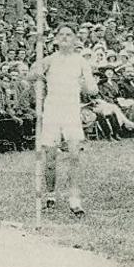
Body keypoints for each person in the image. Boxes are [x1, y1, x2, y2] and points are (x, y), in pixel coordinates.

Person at [34, 23, 97, 214]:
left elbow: (93, 89)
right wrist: (37, 73)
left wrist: (86, 84)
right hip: (52, 111)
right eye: (61, 34)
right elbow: (29, 75)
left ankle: (74, 199)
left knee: (74, 155)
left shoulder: (81, 61)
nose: (64, 37)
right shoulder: (49, 60)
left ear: (75, 38)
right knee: (50, 157)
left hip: (71, 111)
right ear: (56, 39)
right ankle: (50, 195)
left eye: (69, 34)